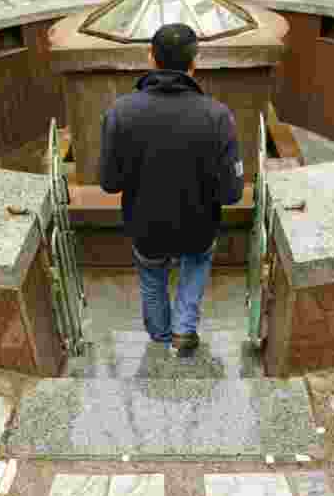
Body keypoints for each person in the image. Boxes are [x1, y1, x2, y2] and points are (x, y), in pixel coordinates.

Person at [99, 23, 244, 358]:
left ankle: (161, 335)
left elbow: (109, 183)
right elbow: (232, 192)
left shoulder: (120, 112)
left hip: (146, 228)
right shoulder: (217, 116)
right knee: (195, 265)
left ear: (151, 57)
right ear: (195, 62)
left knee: (152, 277)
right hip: (198, 226)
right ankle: (183, 329)